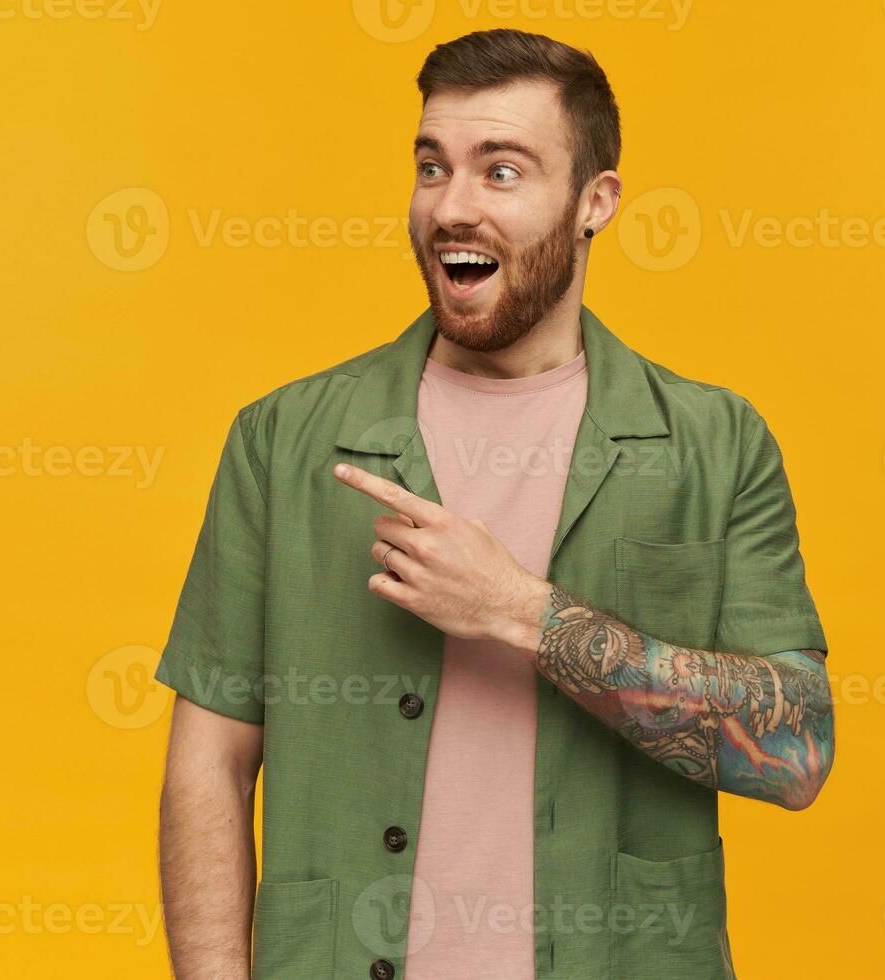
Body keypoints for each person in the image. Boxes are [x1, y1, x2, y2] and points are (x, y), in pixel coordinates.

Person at [155, 28, 832, 980]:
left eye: (501, 172)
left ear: (594, 203)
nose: (452, 207)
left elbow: (795, 751)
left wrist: (524, 613)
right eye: (433, 167)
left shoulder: (715, 446)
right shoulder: (283, 441)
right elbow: (209, 765)